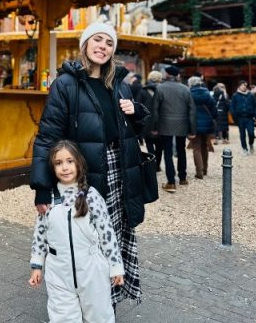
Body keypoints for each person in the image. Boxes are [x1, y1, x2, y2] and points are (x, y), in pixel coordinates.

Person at [31, 21, 148, 310]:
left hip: (119, 168)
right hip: (84, 171)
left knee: (113, 233)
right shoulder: (66, 84)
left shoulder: (119, 84)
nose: (103, 47)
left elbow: (136, 129)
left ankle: (110, 298)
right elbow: (48, 135)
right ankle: (83, 300)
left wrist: (137, 113)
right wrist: (42, 188)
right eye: (97, 40)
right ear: (85, 44)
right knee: (86, 235)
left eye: (109, 43)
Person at [30, 141, 124, 323]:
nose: (64, 167)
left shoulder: (92, 195)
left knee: (99, 315)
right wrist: (36, 266)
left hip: (92, 269)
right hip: (58, 271)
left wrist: (115, 267)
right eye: (58, 163)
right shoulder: (48, 197)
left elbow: (107, 234)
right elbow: (40, 234)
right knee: (62, 316)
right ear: (52, 167)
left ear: (79, 163)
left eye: (69, 161)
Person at [152, 65, 196, 192]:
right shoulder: (186, 89)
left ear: (166, 75)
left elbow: (155, 110)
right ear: (177, 76)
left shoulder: (160, 88)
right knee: (181, 150)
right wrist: (192, 130)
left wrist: (154, 126)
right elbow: (192, 110)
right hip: (182, 123)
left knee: (168, 152)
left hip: (165, 123)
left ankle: (171, 182)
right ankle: (182, 177)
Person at [189, 76, 217, 179]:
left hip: (194, 123)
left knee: (196, 147)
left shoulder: (189, 94)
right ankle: (205, 169)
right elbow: (214, 109)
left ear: (190, 84)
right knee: (205, 146)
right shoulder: (207, 94)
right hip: (207, 123)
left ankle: (199, 172)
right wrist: (212, 118)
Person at [139, 71, 164, 176]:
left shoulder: (143, 91)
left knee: (149, 144)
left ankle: (151, 164)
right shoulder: (163, 90)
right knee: (160, 146)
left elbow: (138, 105)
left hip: (147, 122)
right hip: (161, 121)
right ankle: (157, 165)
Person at [229, 80, 256, 155]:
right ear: (239, 86)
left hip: (249, 118)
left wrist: (255, 115)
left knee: (251, 133)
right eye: (242, 85)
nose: (243, 86)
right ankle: (244, 148)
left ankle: (251, 144)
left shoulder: (251, 95)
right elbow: (232, 107)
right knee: (242, 134)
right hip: (240, 118)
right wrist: (234, 116)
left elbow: (255, 105)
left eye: (245, 85)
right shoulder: (235, 95)